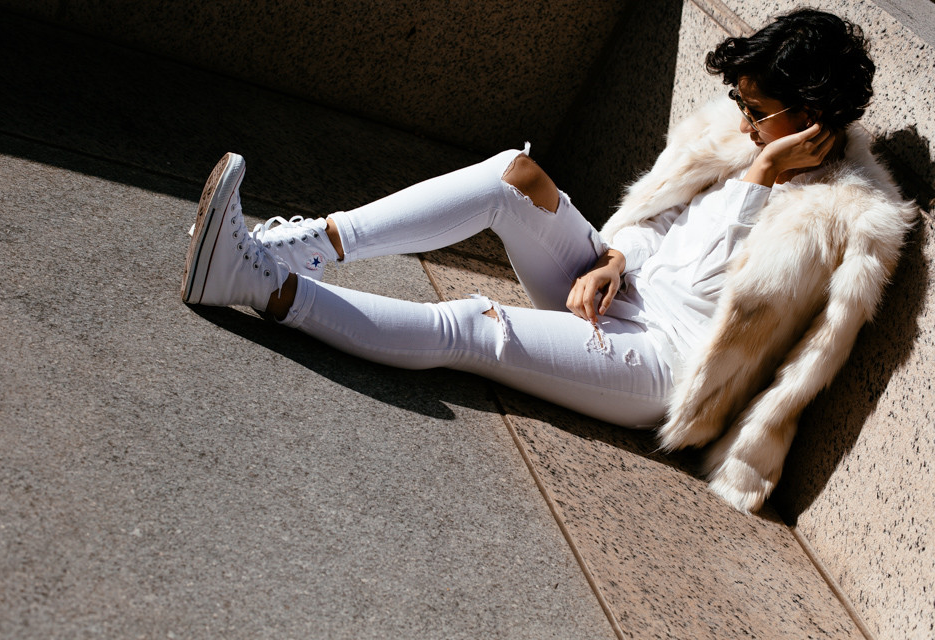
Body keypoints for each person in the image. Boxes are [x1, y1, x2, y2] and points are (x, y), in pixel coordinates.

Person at [180, 9, 915, 513]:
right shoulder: (739, 140)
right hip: (617, 289)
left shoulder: (843, 218)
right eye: (741, 101)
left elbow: (709, 283)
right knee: (514, 176)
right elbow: (666, 226)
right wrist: (617, 257)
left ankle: (256, 283)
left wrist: (757, 181)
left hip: (660, 358)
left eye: (760, 111)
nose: (744, 121)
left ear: (814, 116)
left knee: (475, 325)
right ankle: (292, 246)